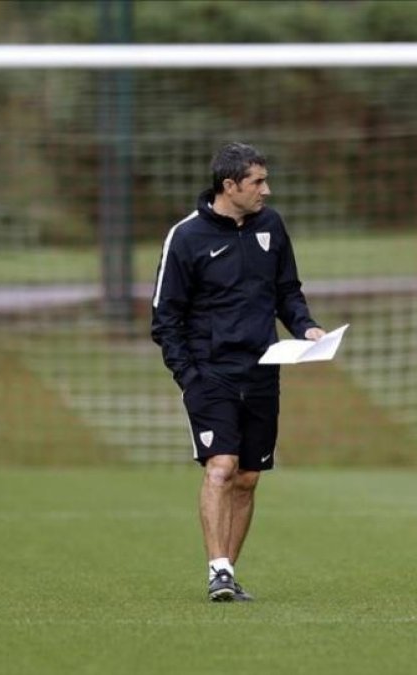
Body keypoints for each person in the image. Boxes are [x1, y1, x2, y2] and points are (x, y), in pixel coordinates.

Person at [151, 142, 325, 602]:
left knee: (247, 478)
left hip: (264, 369)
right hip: (211, 373)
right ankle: (218, 569)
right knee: (221, 467)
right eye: (257, 182)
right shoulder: (186, 237)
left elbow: (288, 291)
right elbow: (164, 318)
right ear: (229, 186)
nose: (266, 190)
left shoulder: (272, 226)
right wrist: (189, 375)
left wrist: (306, 329)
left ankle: (225, 575)